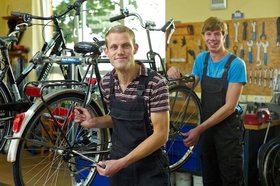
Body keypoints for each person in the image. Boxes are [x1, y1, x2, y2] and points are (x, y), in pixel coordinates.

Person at [74, 25, 170, 186]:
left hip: (150, 168)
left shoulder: (155, 83)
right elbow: (119, 118)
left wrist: (122, 162)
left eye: (125, 45)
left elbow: (161, 135)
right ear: (107, 51)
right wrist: (94, 122)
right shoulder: (106, 83)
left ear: (135, 48)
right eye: (114, 47)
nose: (120, 51)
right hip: (119, 166)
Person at [168, 17, 247, 186]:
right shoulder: (201, 60)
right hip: (207, 132)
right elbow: (185, 93)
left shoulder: (236, 64)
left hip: (228, 133)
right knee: (210, 179)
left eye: (217, 34)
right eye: (208, 34)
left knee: (231, 179)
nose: (212, 38)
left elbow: (229, 107)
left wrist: (199, 129)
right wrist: (177, 78)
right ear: (204, 36)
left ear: (223, 36)